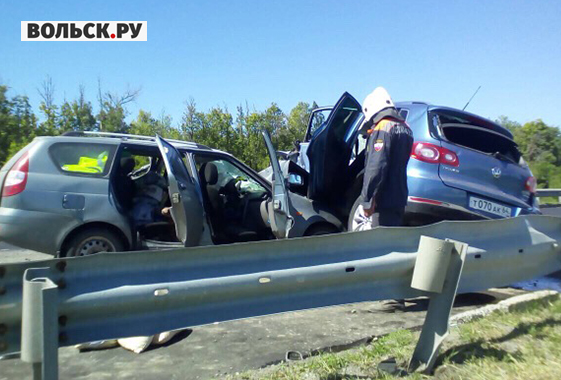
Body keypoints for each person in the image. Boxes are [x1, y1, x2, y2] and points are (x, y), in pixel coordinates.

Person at [359, 87, 413, 227]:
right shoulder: (406, 128)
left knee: (379, 245)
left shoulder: (382, 127)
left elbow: (376, 167)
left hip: (383, 201)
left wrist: (368, 199)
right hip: (399, 198)